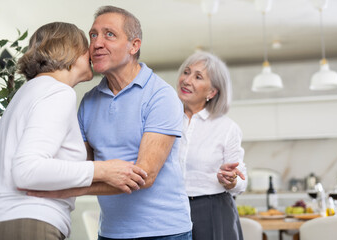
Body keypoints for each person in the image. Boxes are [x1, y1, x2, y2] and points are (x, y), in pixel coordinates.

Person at [27, 6, 192, 240]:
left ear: (134, 46)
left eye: (109, 34)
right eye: (93, 35)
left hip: (164, 232)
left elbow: (144, 176)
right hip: (110, 233)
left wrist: (66, 189)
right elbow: (78, 165)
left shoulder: (160, 95)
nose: (96, 43)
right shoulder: (88, 101)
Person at [0, 22, 147, 240]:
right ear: (69, 49)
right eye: (87, 43)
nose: (93, 49)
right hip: (32, 222)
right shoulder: (57, 92)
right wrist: (103, 170)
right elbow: (27, 170)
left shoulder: (28, 92)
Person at [176, 51, 247, 240]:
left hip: (213, 210)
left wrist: (231, 180)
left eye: (198, 77)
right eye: (186, 72)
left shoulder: (226, 128)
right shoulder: (166, 120)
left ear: (212, 92)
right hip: (172, 209)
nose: (187, 80)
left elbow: (241, 180)